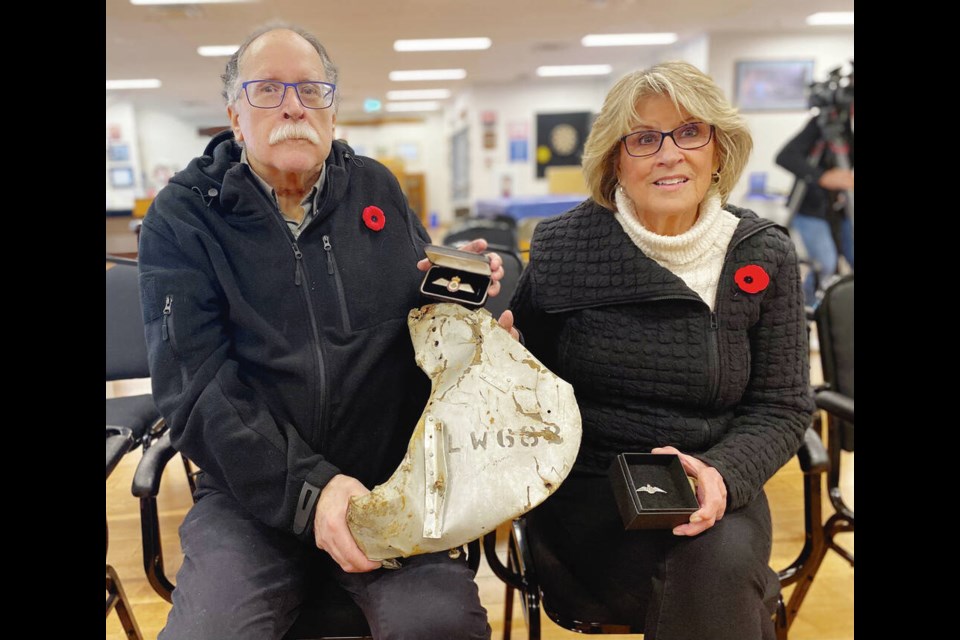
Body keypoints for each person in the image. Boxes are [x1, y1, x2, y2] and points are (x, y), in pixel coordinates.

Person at [137, 23, 507, 640]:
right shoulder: (183, 219)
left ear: (332, 107)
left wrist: (460, 313)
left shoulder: (377, 189)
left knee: (440, 626)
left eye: (312, 89)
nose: (293, 105)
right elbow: (195, 388)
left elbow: (409, 322)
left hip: (386, 483)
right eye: (268, 90)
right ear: (234, 113)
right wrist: (314, 491)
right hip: (250, 493)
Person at [505, 61, 815, 639]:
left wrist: (721, 474)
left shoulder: (762, 253)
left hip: (714, 483)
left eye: (689, 131)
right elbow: (524, 381)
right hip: (592, 495)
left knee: (717, 563)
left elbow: (783, 405)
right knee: (728, 589)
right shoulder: (565, 246)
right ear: (614, 161)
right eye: (644, 139)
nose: (669, 154)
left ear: (718, 148)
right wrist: (500, 357)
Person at [775, 113, 854, 306]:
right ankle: (810, 308)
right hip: (810, 209)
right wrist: (822, 177)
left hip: (840, 208)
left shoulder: (847, 128)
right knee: (826, 264)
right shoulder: (826, 122)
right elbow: (785, 157)